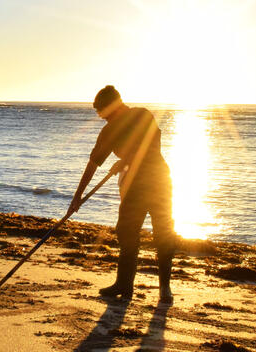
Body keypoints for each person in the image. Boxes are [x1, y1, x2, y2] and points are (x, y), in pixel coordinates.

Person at [69, 85, 177, 303]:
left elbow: (152, 145)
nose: (100, 117)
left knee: (163, 233)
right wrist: (77, 196)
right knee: (126, 232)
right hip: (134, 186)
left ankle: (165, 288)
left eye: (102, 112)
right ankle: (124, 285)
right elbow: (93, 163)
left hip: (158, 181)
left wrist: (125, 161)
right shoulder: (108, 131)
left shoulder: (142, 115)